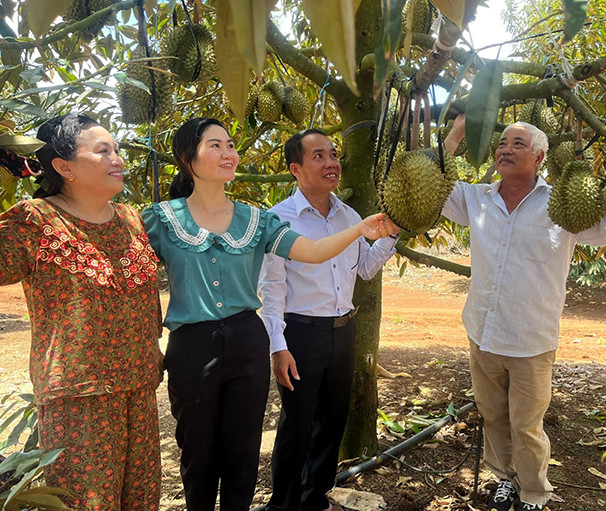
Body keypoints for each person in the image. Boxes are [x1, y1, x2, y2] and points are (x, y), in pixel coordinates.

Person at [141, 118, 393, 511]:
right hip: (192, 345)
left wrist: (361, 228)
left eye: (230, 144)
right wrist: (145, 342)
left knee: (243, 454)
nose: (228, 153)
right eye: (215, 146)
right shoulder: (157, 218)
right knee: (198, 453)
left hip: (246, 339)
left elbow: (311, 251)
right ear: (187, 157)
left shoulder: (256, 219)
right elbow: (133, 280)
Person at [441, 115, 606, 511]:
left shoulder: (561, 203)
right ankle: (504, 479)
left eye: (517, 144)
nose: (504, 150)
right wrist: (457, 133)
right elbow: (433, 184)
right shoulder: (476, 198)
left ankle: (533, 492)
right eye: (501, 144)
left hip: (531, 337)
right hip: (482, 329)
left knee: (526, 426)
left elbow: (605, 227)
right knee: (492, 416)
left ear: (540, 156)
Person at [0, 113, 164, 510]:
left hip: (140, 385)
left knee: (142, 501)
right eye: (103, 150)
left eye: (118, 149)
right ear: (63, 167)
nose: (118, 159)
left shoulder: (131, 219)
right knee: (87, 504)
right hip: (77, 396)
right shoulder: (34, 220)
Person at [258, 129, 400, 511]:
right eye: (318, 155)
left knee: (333, 420)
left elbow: (366, 270)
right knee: (297, 425)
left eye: (333, 154)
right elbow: (271, 291)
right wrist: (278, 347)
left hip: (342, 331)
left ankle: (314, 497)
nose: (331, 162)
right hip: (301, 334)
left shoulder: (349, 216)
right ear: (295, 168)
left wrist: (391, 235)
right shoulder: (278, 220)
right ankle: (283, 504)